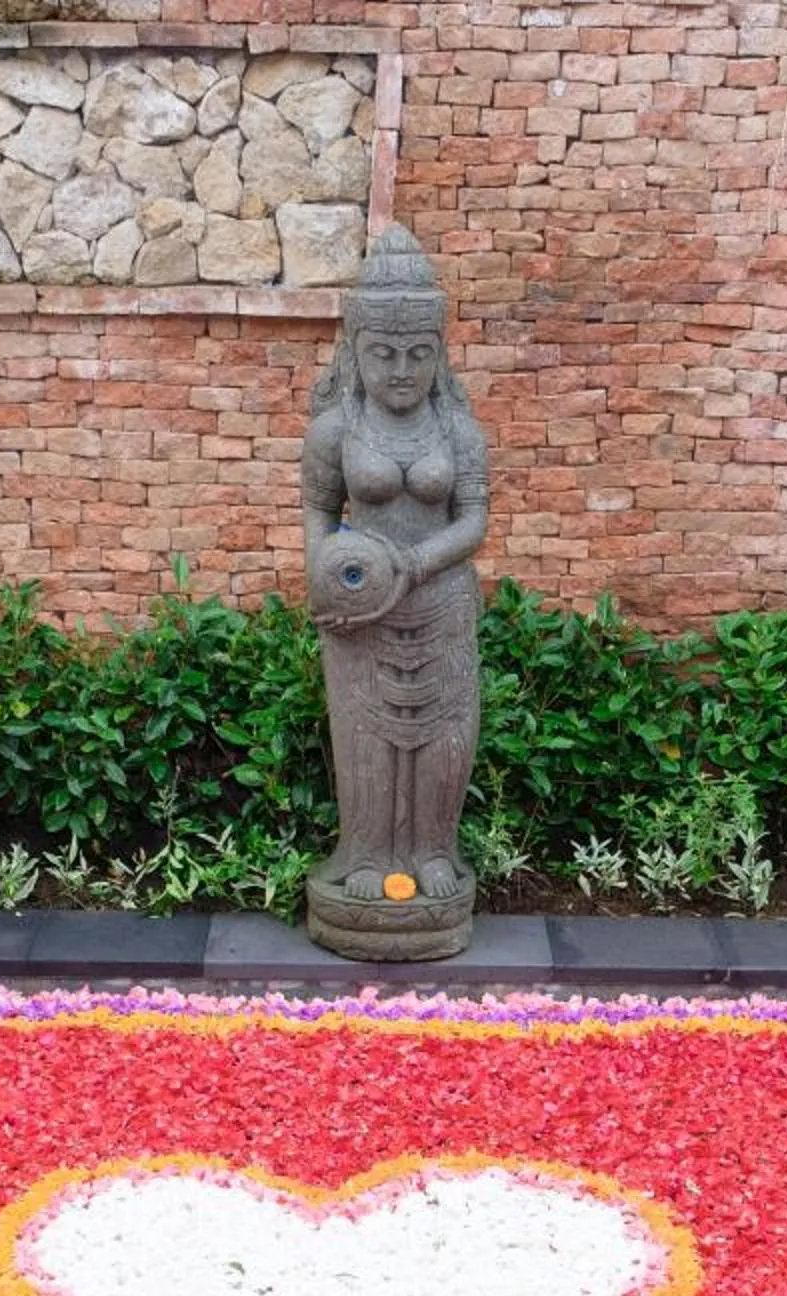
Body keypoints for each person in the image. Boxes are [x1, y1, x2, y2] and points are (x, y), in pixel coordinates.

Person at [298, 223, 489, 958]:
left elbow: (472, 520)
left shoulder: (460, 431)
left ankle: (434, 853)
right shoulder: (334, 429)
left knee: (444, 733)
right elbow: (319, 514)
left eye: (418, 354)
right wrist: (329, 576)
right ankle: (369, 858)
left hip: (439, 605)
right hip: (360, 614)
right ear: (356, 350)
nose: (402, 370)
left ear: (440, 353)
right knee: (366, 736)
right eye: (383, 354)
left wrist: (414, 565)